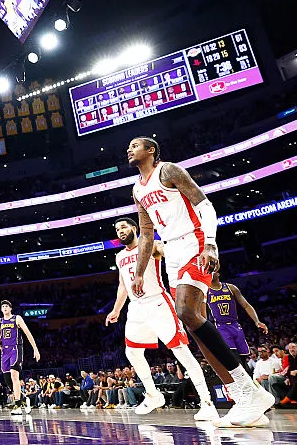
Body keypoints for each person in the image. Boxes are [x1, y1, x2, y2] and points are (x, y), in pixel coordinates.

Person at [127, 137, 273, 428]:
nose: (129, 150)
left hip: (194, 242)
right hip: (170, 251)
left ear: (151, 150)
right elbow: (146, 235)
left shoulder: (168, 171)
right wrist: (140, 271)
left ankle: (248, 391)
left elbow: (205, 205)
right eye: (129, 147)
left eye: (135, 145)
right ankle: (244, 396)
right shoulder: (137, 189)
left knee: (185, 312)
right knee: (194, 325)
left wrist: (210, 244)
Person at [105, 217, 218, 421]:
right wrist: (116, 310)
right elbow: (123, 286)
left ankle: (207, 402)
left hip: (158, 302)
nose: (120, 231)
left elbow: (174, 255)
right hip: (136, 308)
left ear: (134, 228)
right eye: (117, 229)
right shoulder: (119, 256)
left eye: (123, 227)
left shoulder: (152, 245)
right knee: (132, 353)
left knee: (180, 352)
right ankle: (153, 394)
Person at [207, 269, 268, 370]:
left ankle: (248, 379)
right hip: (220, 326)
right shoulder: (206, 291)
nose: (210, 274)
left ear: (218, 273)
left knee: (243, 357)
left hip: (235, 325)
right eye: (207, 272)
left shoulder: (231, 288)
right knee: (233, 356)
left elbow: (246, 305)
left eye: (212, 271)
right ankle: (241, 381)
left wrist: (257, 321)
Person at [0, 299, 40, 415]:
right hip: (4, 351)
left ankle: (18, 406)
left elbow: (28, 333)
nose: (5, 307)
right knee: (7, 380)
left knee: (14, 375)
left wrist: (35, 349)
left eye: (7, 306)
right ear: (1, 309)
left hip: (15, 349)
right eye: (3, 306)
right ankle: (24, 398)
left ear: (10, 308)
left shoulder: (17, 318)